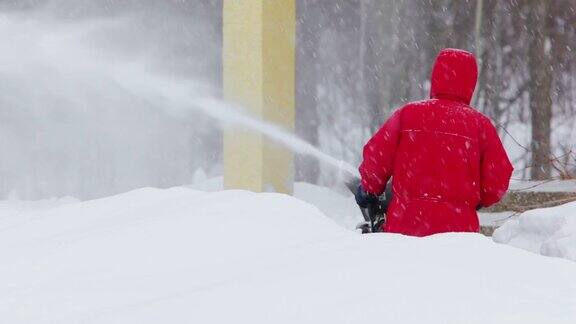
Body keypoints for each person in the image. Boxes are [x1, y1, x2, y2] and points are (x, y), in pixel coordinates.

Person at [355, 48, 513, 237]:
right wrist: (475, 200)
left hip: (404, 229)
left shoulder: (408, 114)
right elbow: (497, 179)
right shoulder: (480, 126)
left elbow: (376, 158)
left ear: (436, 75)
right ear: (471, 82)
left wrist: (369, 190)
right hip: (459, 236)